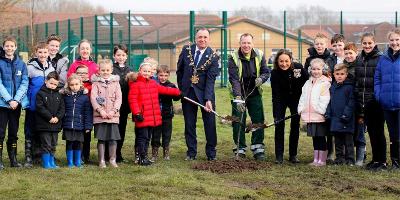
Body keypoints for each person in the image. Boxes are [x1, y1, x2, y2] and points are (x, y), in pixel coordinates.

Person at [176, 28, 220, 161]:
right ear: (196, 38)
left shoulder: (213, 56)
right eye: (200, 37)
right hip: (188, 93)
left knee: (210, 124)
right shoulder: (186, 50)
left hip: (205, 94)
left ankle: (211, 153)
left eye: (205, 37)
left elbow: (211, 80)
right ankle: (191, 152)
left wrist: (207, 99)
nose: (202, 40)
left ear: (209, 39)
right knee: (189, 124)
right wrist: (182, 90)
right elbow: (180, 71)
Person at [128, 62, 181, 166]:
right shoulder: (135, 84)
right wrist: (137, 113)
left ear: (151, 73)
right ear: (140, 71)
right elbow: (132, 100)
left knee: (147, 138)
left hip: (151, 117)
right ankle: (141, 157)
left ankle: (145, 157)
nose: (146, 73)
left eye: (148, 71)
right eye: (144, 71)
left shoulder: (153, 83)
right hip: (142, 117)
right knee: (142, 138)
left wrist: (178, 92)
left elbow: (165, 90)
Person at [228, 33, 270, 161]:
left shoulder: (260, 54)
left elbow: (266, 72)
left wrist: (261, 79)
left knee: (258, 120)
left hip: (255, 92)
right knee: (238, 120)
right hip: (239, 93)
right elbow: (234, 79)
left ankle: (258, 148)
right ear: (240, 44)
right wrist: (238, 97)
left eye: (248, 43)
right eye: (243, 43)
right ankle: (240, 149)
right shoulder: (233, 57)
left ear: (252, 43)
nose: (246, 45)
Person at [355, 32, 387, 171]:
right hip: (363, 101)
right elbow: (357, 80)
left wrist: (377, 96)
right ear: (361, 44)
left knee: (379, 131)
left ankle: (383, 161)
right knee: (371, 132)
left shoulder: (381, 58)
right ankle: (375, 159)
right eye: (365, 43)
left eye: (370, 43)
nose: (367, 45)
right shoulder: (359, 58)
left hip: (376, 100)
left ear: (374, 43)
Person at [270, 49, 307, 164]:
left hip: (296, 99)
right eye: (281, 61)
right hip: (281, 99)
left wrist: (304, 102)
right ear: (277, 61)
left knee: (295, 125)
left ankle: (293, 155)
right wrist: (276, 114)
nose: (284, 64)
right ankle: (279, 156)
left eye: (286, 61)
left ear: (291, 60)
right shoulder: (274, 73)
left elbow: (308, 82)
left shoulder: (299, 68)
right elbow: (275, 94)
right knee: (279, 125)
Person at [0, 36, 29, 170]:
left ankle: (13, 159)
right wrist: (9, 100)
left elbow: (24, 83)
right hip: (3, 104)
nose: (9, 48)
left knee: (13, 132)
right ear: (3, 47)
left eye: (12, 46)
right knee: (1, 132)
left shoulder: (21, 64)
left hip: (15, 105)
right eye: (7, 46)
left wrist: (16, 100)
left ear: (16, 47)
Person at [25, 41, 55, 167]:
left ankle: (39, 156)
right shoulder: (30, 67)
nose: (43, 54)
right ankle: (28, 157)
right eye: (40, 52)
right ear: (36, 53)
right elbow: (25, 85)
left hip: (45, 107)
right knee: (30, 130)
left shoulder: (51, 68)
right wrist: (26, 102)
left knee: (41, 130)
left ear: (49, 53)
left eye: (45, 52)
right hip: (32, 106)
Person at [374, 28, 400, 171]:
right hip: (387, 104)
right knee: (393, 134)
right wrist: (379, 95)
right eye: (392, 40)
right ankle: (395, 162)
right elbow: (377, 78)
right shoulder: (383, 58)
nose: (394, 42)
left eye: (397, 40)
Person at [298, 58, 331, 167]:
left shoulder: (325, 83)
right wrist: (301, 108)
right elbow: (303, 97)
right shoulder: (308, 82)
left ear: (323, 69)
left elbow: (325, 99)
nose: (315, 71)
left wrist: (320, 110)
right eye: (313, 69)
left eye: (318, 69)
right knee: (315, 137)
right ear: (310, 70)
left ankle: (322, 160)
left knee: (321, 137)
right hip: (310, 115)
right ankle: (316, 159)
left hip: (319, 115)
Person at [90, 59, 122, 168]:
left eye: (108, 70)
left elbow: (119, 98)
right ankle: (102, 160)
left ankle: (112, 159)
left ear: (111, 70)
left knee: (113, 138)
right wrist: (100, 110)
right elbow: (93, 98)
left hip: (113, 116)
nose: (105, 72)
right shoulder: (96, 83)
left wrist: (114, 111)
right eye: (103, 70)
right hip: (100, 116)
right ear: (99, 70)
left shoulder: (116, 83)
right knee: (101, 139)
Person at [326, 63, 355, 166]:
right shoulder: (332, 87)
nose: (339, 76)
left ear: (346, 75)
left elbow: (351, 102)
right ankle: (339, 158)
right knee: (337, 140)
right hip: (335, 118)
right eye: (337, 74)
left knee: (348, 141)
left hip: (346, 118)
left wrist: (346, 115)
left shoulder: (349, 87)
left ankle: (350, 159)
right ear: (334, 74)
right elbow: (330, 101)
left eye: (342, 74)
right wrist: (328, 113)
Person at [61, 74, 93, 168]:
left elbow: (87, 113)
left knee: (78, 143)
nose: (74, 87)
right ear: (68, 85)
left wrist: (88, 126)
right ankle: (70, 162)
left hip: (80, 125)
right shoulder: (65, 96)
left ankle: (78, 161)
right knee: (69, 143)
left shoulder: (85, 97)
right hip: (68, 124)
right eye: (72, 85)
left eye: (76, 84)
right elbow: (62, 110)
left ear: (80, 84)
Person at [150, 65, 180, 161]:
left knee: (167, 134)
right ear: (157, 75)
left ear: (169, 75)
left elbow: (176, 97)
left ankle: (166, 152)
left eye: (165, 75)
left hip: (167, 114)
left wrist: (178, 94)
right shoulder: (154, 84)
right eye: (161, 75)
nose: (163, 77)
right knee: (155, 134)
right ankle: (154, 153)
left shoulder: (171, 85)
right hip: (155, 114)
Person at [35, 72, 65, 169]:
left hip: (55, 125)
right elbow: (40, 108)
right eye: (51, 83)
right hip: (44, 125)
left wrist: (57, 118)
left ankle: (52, 161)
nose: (53, 86)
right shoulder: (40, 94)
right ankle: (46, 163)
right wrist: (50, 118)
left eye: (55, 84)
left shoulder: (59, 95)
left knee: (53, 144)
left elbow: (62, 108)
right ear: (46, 81)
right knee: (46, 144)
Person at [344, 42, 367, 166]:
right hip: (347, 105)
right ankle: (349, 157)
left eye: (350, 53)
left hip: (359, 104)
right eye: (346, 53)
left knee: (360, 132)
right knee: (349, 132)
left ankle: (360, 157)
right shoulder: (342, 66)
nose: (348, 55)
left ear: (356, 53)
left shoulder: (360, 66)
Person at [112, 44, 131, 163]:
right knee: (112, 129)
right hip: (113, 105)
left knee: (122, 129)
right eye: (118, 55)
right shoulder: (111, 68)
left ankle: (118, 153)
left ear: (126, 56)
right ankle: (110, 153)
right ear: (114, 56)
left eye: (123, 55)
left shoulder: (130, 69)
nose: (121, 57)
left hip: (124, 105)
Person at [74, 65, 93, 163]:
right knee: (77, 136)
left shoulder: (91, 85)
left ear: (88, 74)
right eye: (79, 73)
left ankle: (86, 156)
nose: (82, 75)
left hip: (87, 113)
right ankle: (77, 156)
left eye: (84, 73)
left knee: (87, 135)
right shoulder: (73, 85)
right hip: (76, 114)